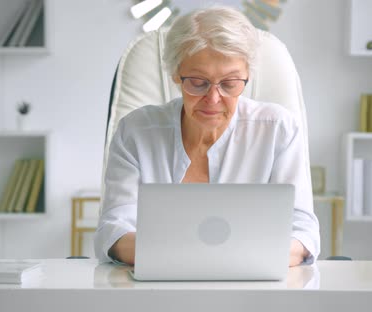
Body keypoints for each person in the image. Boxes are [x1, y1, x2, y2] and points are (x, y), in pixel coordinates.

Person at [94, 6, 320, 267]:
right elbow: (113, 232)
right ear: (175, 75)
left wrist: (194, 257)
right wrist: (222, 257)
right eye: (198, 82)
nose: (213, 99)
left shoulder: (278, 129)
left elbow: (303, 234)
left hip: (254, 290)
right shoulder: (135, 132)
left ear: (248, 76)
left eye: (230, 83)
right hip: (156, 289)